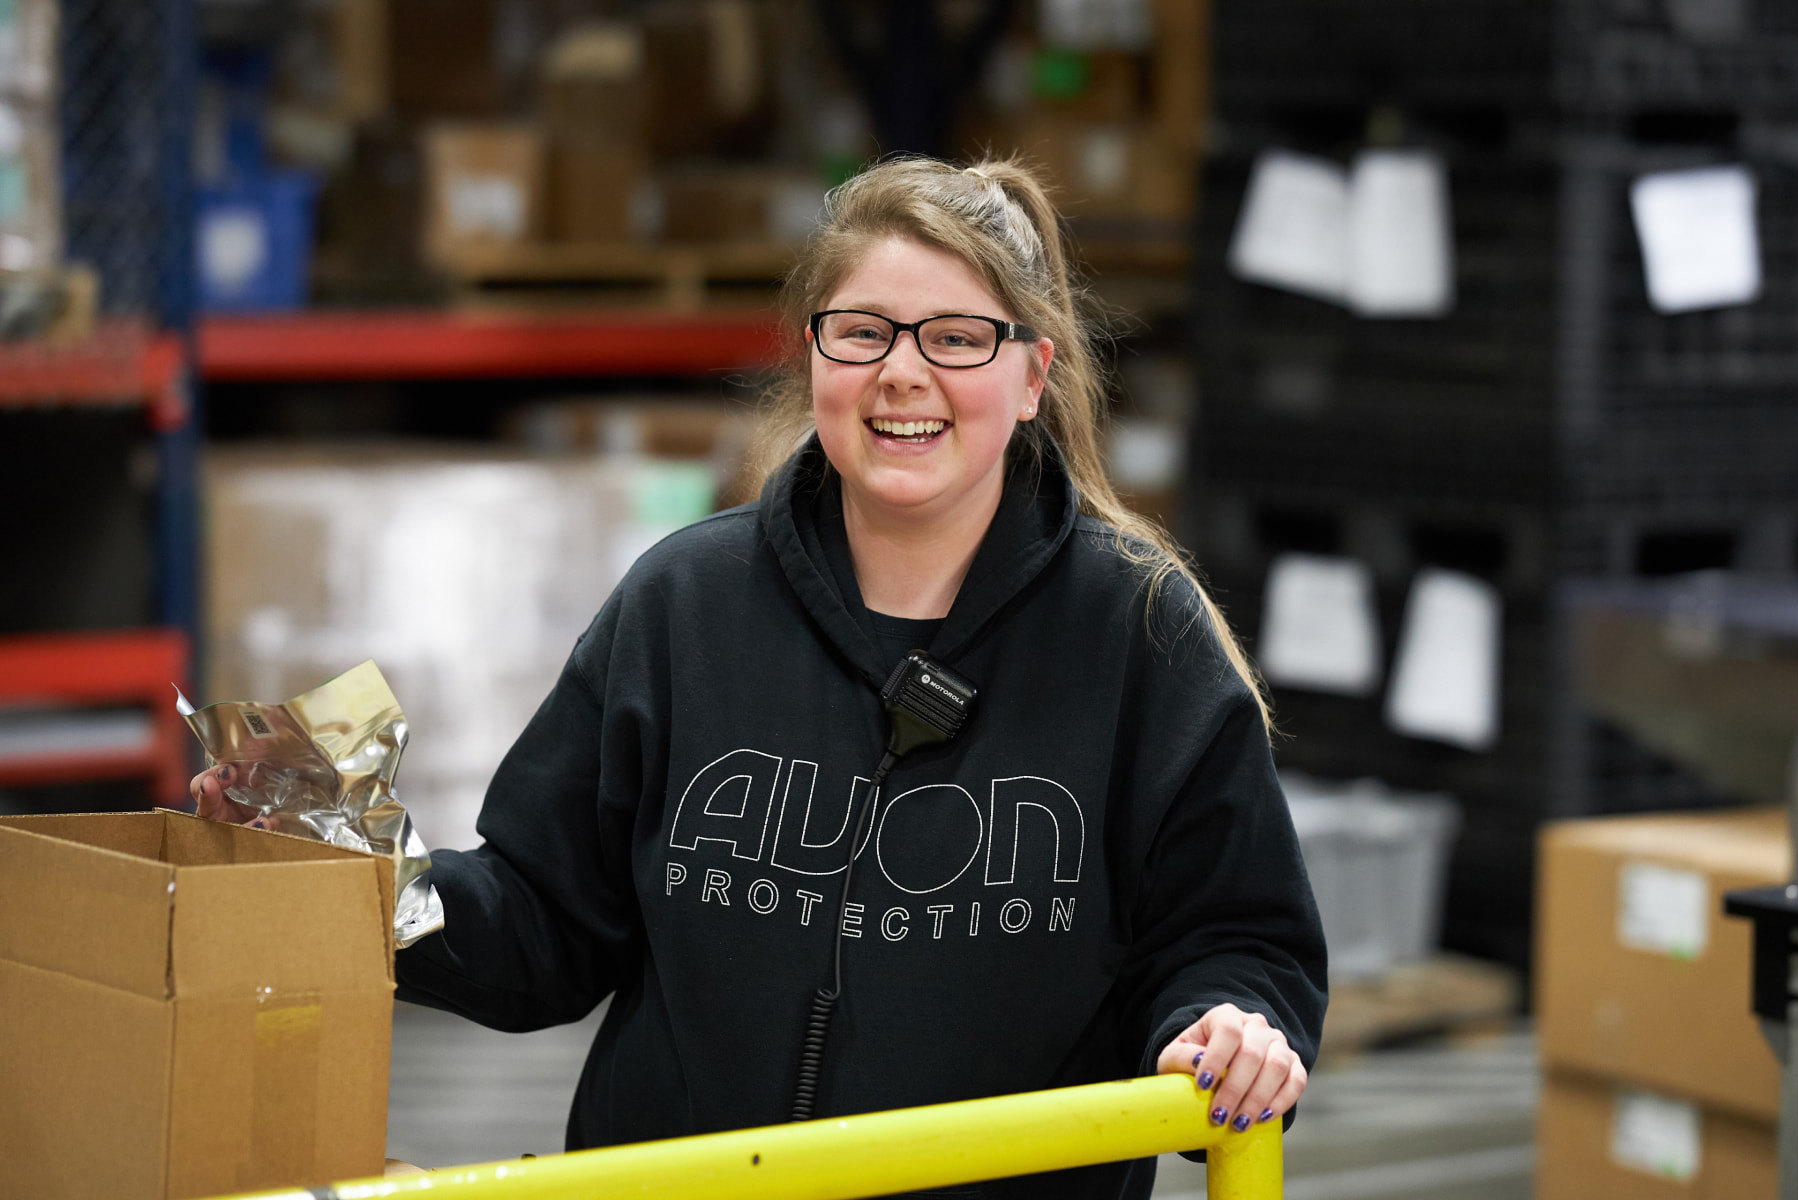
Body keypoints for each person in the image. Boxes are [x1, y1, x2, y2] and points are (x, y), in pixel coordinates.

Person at [192, 156, 1327, 1199]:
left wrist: (1228, 1022)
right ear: (813, 355)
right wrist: (350, 880)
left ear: (1032, 374)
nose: (903, 375)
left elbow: (1238, 937)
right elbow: (546, 921)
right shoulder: (687, 602)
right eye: (863, 332)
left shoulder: (1138, 631)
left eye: (956, 340)